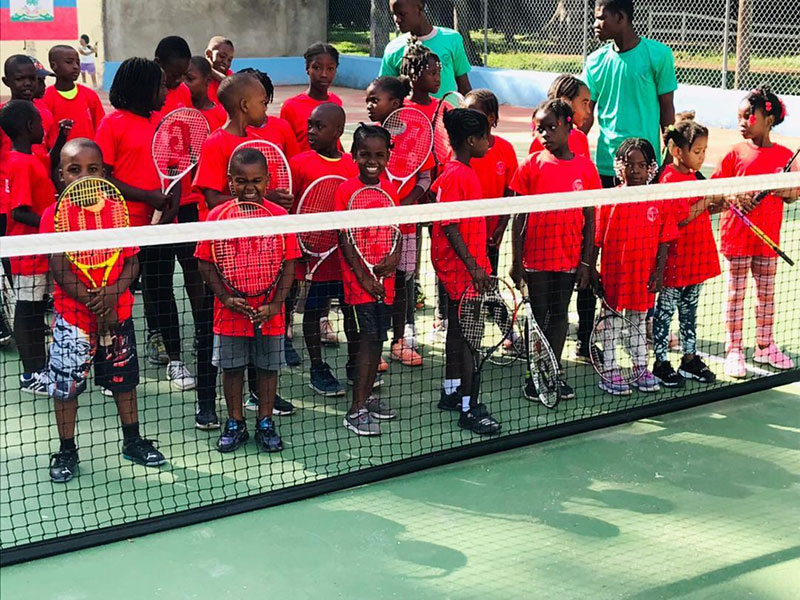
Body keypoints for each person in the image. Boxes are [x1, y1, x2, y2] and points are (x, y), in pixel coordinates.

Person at [42, 138, 166, 482]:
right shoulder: (53, 215)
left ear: (104, 173)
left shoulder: (116, 209)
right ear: (61, 176)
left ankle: (133, 440)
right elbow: (60, 266)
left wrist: (112, 294)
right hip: (73, 322)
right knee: (66, 390)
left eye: (92, 169)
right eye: (74, 170)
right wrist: (92, 300)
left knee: (124, 384)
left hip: (118, 315)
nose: (84, 176)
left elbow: (131, 263)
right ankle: (67, 449)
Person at [192, 72, 297, 416]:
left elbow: (258, 193)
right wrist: (251, 203)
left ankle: (260, 399)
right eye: (262, 102)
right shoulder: (216, 143)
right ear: (243, 105)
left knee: (262, 335)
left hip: (260, 255)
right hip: (226, 255)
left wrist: (272, 199)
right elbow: (210, 194)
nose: (266, 108)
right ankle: (209, 405)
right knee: (218, 336)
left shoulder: (255, 142)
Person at [94, 58, 197, 391]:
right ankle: (112, 360)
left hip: (160, 227)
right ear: (141, 90)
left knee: (161, 290)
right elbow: (103, 176)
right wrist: (148, 196)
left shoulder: (163, 123)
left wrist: (169, 207)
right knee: (117, 295)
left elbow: (176, 168)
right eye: (159, 87)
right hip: (122, 227)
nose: (166, 93)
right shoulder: (113, 125)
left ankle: (176, 361)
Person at [195, 148, 300, 453]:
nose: (249, 187)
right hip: (230, 313)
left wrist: (276, 304)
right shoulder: (217, 217)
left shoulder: (280, 217)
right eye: (241, 181)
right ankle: (235, 422)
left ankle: (265, 421)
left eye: (256, 180)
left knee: (268, 369)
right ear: (230, 181)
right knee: (231, 369)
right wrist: (226, 297)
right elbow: (205, 263)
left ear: (268, 181)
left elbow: (290, 264)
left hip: (270, 314)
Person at [510, 99, 600, 401]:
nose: (545, 134)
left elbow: (590, 219)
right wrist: (515, 260)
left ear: (568, 124)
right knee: (538, 315)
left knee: (560, 314)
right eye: (540, 129)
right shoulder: (530, 166)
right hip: (535, 258)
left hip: (568, 258)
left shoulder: (586, 169)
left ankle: (553, 370)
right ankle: (533, 375)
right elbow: (518, 216)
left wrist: (587, 262)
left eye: (551, 127)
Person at [712, 86, 798, 378]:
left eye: (749, 116)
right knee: (735, 294)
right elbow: (714, 188)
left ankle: (765, 344)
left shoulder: (786, 156)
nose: (742, 122)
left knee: (767, 294)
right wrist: (736, 196)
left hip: (767, 239)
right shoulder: (734, 153)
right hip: (736, 235)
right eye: (739, 116)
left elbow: (793, 193)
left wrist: (775, 185)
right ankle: (734, 348)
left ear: (768, 119)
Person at [430, 108, 500, 435]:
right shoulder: (457, 175)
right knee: (472, 338)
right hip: (461, 272)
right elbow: (450, 226)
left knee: (459, 333)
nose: (490, 141)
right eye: (486, 136)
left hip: (461, 269)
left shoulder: (458, 171)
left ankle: (452, 390)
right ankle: (470, 407)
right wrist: (474, 268)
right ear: (471, 141)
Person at [593, 138, 678, 396]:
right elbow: (597, 239)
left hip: (643, 276)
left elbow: (664, 241)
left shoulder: (659, 198)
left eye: (642, 165)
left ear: (651, 168)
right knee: (612, 323)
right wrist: (592, 271)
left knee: (638, 322)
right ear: (619, 167)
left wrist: (659, 272)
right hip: (615, 275)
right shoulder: (610, 199)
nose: (636, 171)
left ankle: (640, 367)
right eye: (629, 165)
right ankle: (609, 369)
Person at [334, 124, 401, 435]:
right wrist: (362, 275)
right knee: (366, 341)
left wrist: (395, 256)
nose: (372, 161)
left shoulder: (391, 189)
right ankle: (356, 409)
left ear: (388, 156)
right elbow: (344, 237)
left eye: (379, 155)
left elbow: (398, 230)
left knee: (378, 341)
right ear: (354, 155)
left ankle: (367, 397)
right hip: (359, 286)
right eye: (365, 155)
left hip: (384, 284)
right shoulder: (346, 190)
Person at [289, 103, 360, 396]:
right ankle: (317, 367)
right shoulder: (300, 163)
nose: (311, 131)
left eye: (319, 127)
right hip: (312, 254)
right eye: (310, 125)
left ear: (338, 132)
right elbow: (290, 208)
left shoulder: (351, 166)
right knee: (313, 310)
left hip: (344, 258)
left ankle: (356, 365)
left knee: (350, 311)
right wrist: (298, 245)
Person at [366, 69, 431, 367]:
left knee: (403, 282)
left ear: (395, 104)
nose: (368, 105)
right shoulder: (366, 136)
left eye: (374, 100)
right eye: (367, 100)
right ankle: (375, 342)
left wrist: (404, 204)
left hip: (404, 224)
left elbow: (425, 178)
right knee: (376, 282)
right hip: (373, 227)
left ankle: (401, 338)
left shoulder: (417, 133)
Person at [652, 119, 720, 387]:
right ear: (677, 150)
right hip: (675, 262)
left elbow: (701, 211)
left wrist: (719, 204)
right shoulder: (669, 179)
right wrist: (707, 199)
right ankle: (660, 362)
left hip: (697, 259)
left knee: (690, 312)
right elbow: (681, 218)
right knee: (665, 313)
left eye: (704, 151)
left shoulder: (694, 176)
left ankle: (689, 359)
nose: (702, 157)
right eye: (697, 151)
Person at [582, 0, 676, 187]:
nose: (595, 25)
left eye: (601, 18)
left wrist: (669, 156)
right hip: (607, 165)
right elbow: (585, 112)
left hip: (645, 166)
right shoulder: (595, 61)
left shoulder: (659, 55)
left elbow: (667, 110)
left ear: (620, 17)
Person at [0, 100, 56, 395]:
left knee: (34, 312)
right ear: (28, 127)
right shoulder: (22, 163)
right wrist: (54, 224)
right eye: (38, 122)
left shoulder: (24, 158)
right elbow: (20, 212)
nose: (43, 127)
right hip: (29, 250)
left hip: (38, 249)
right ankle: (31, 373)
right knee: (28, 311)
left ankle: (39, 367)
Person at [380, 0, 472, 99]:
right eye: (394, 14)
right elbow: (385, 92)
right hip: (412, 114)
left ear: (419, 8)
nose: (397, 19)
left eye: (402, 14)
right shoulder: (393, 48)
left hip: (448, 113)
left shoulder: (452, 39)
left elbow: (464, 86)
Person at [280, 43, 343, 152]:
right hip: (301, 168)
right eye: (317, 68)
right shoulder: (291, 106)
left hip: (331, 168)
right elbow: (285, 145)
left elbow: (335, 140)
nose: (324, 74)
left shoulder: (336, 102)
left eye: (330, 69)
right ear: (307, 69)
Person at [42, 45, 105, 141]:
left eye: (77, 63)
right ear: (54, 66)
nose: (76, 67)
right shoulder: (45, 98)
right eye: (69, 62)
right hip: (59, 154)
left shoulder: (90, 95)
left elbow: (101, 129)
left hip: (88, 154)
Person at [529, 74, 591, 159]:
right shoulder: (543, 139)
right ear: (566, 101)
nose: (588, 111)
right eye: (584, 103)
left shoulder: (581, 138)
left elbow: (587, 169)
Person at [185, 56, 227, 136]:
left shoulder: (222, 116)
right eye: (181, 77)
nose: (184, 83)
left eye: (190, 79)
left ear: (208, 81)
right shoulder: (178, 110)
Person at [154, 36, 192, 115]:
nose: (180, 80)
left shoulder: (184, 91)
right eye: (175, 75)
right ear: (158, 63)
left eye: (184, 74)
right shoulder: (145, 94)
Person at [205, 36, 235, 105]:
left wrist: (211, 71)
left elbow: (231, 85)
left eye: (229, 60)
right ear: (209, 54)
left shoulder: (228, 74)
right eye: (222, 56)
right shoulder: (199, 71)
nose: (225, 62)